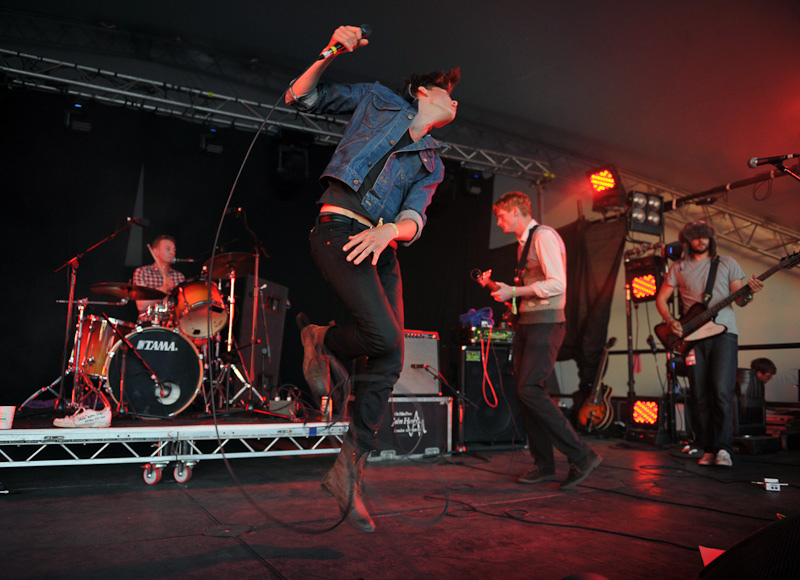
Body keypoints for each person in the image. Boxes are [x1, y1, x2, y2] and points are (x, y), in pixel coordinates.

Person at [285, 25, 460, 532]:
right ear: (423, 92)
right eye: (450, 92)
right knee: (381, 337)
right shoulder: (379, 102)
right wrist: (332, 49)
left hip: (382, 246)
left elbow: (415, 217)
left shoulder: (433, 161)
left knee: (393, 353)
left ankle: (348, 472)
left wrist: (392, 232)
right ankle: (319, 336)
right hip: (339, 228)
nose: (457, 102)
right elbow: (302, 95)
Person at [490, 191, 602, 489]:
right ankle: (544, 465)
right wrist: (507, 292)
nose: (499, 222)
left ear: (515, 211)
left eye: (501, 216)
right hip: (529, 323)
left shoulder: (544, 236)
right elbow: (530, 289)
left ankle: (581, 454)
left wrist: (513, 293)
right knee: (526, 392)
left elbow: (556, 284)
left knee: (529, 389)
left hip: (547, 324)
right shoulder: (525, 244)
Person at [655, 220, 763, 467]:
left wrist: (749, 292)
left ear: (710, 238)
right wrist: (670, 320)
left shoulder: (726, 263)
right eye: (695, 236)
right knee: (699, 394)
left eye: (704, 236)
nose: (700, 240)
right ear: (687, 240)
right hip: (692, 339)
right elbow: (661, 298)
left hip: (724, 335)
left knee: (721, 391)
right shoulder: (678, 268)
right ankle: (707, 447)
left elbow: (741, 299)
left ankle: (724, 448)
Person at [132, 235, 185, 325]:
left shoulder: (179, 277)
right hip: (148, 325)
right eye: (168, 249)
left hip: (172, 326)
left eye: (174, 250)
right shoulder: (143, 272)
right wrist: (163, 290)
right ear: (156, 252)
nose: (172, 253)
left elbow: (183, 308)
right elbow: (141, 306)